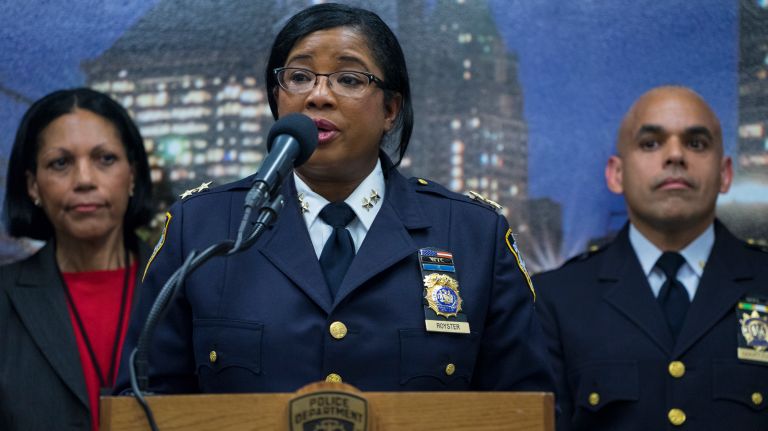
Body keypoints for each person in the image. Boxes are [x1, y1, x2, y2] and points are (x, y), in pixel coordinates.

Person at [117, 3, 554, 395]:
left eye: (348, 79)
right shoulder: (202, 227)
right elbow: (145, 399)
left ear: (390, 110)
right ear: (276, 97)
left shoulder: (473, 235)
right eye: (299, 77)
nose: (318, 95)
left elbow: (523, 407)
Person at [534, 86, 768, 430]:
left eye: (696, 144)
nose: (675, 155)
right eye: (651, 143)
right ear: (616, 174)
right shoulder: (556, 300)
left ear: (725, 173)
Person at [0, 88, 153, 430]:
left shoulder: (185, 288)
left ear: (132, 174)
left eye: (105, 159)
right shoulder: (4, 298)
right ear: (33, 186)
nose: (84, 180)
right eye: (60, 163)